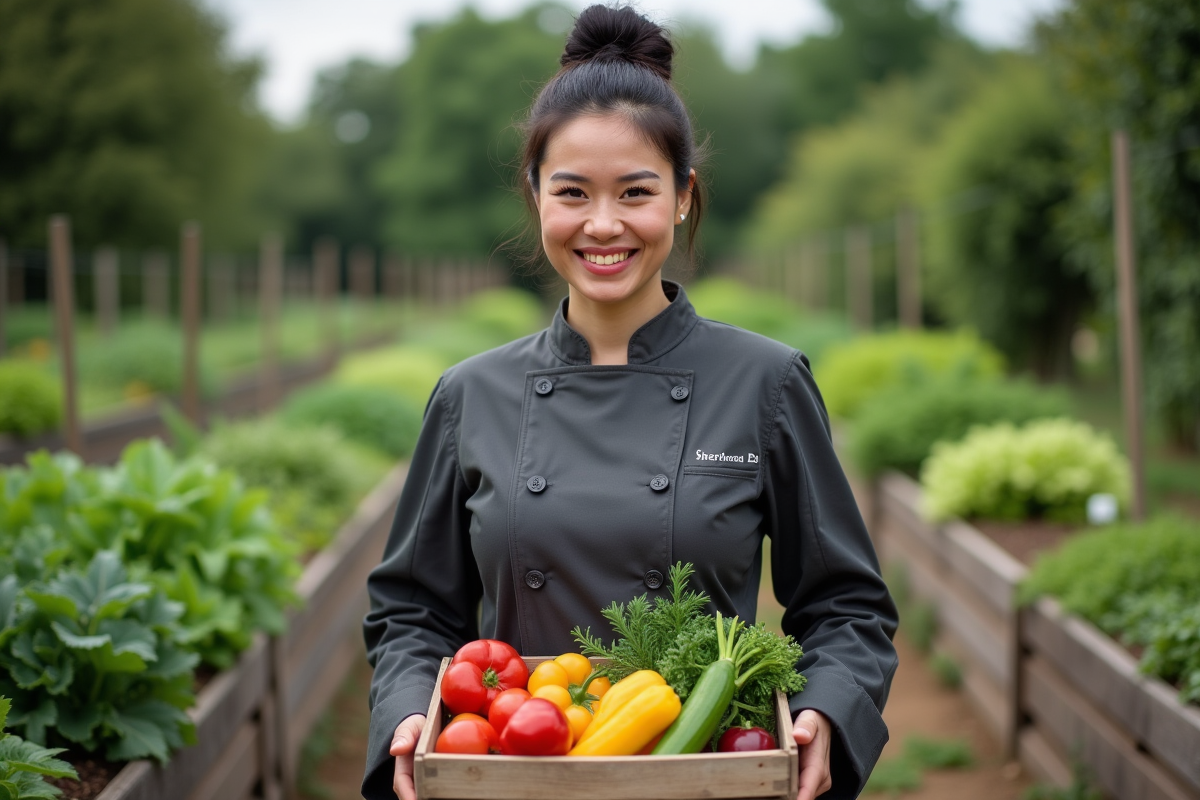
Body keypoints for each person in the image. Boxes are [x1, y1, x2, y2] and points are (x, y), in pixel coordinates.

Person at [362, 6, 898, 800]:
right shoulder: (469, 395)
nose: (603, 224)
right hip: (515, 771)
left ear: (682, 197)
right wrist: (410, 710)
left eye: (635, 192)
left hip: (711, 772)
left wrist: (826, 707)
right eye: (572, 191)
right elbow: (412, 610)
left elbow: (846, 605)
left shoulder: (766, 382)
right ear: (536, 195)